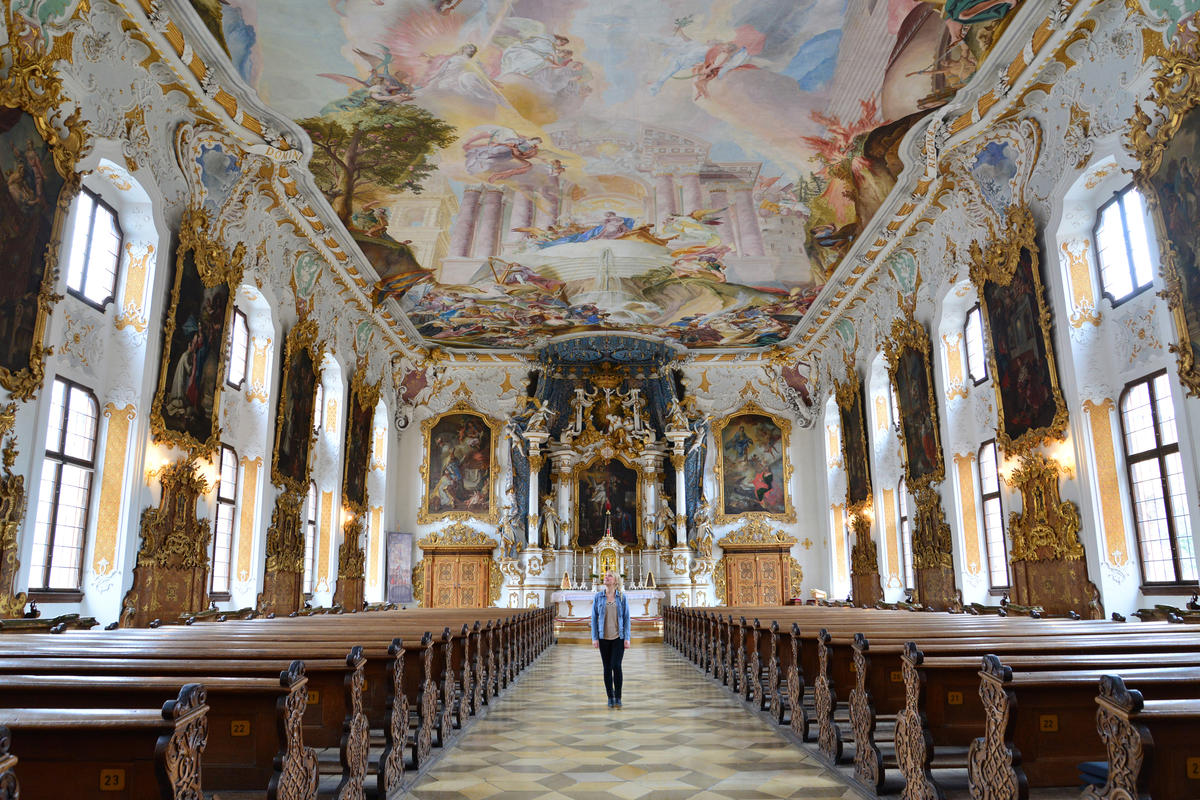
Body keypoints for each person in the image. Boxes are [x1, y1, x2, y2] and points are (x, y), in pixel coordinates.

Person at [590, 570, 631, 708]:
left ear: (615, 580)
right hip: (603, 637)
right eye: (605, 575)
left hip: (618, 637)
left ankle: (618, 696)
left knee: (616, 666)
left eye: (609, 576)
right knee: (607, 668)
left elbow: (626, 618)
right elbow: (594, 618)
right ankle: (610, 696)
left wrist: (627, 637)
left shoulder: (622, 597)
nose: (606, 577)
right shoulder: (598, 597)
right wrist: (595, 638)